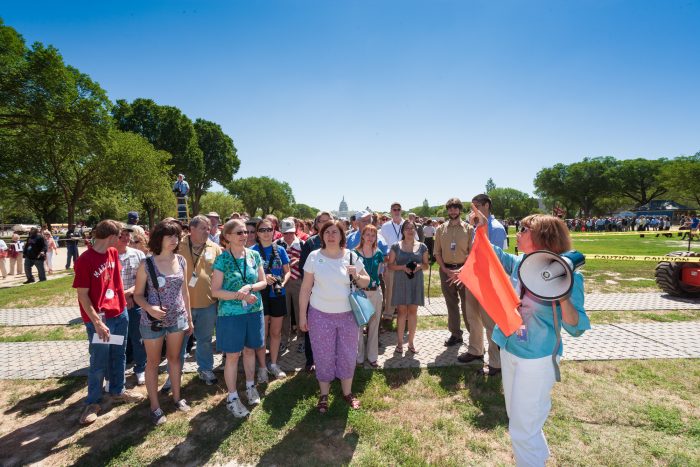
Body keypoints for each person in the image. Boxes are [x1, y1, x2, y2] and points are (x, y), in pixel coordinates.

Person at [471, 209, 590, 466]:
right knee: (520, 421)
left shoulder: (568, 275)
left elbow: (577, 325)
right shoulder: (523, 263)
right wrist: (480, 229)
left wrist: (562, 292)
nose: (518, 233)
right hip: (509, 349)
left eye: (524, 230)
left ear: (542, 237)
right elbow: (496, 257)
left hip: (537, 359)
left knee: (523, 429)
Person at [74, 220, 145, 425]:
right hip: (100, 320)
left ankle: (118, 390)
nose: (124, 240)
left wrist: (123, 306)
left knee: (119, 354)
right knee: (99, 360)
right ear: (112, 237)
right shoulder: (85, 260)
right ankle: (93, 402)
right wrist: (97, 322)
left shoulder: (113, 254)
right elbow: (83, 295)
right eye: (120, 236)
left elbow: (116, 283)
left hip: (119, 314)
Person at [298, 220, 371, 413]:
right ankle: (324, 394)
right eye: (327, 232)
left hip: (347, 315)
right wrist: (302, 316)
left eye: (335, 232)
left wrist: (356, 274)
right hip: (319, 315)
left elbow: (366, 281)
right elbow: (305, 288)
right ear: (321, 235)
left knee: (348, 353)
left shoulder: (351, 256)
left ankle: (347, 393)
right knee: (323, 354)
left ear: (341, 236)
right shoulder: (314, 257)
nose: (331, 235)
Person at [133, 219, 193, 425]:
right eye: (169, 236)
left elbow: (185, 292)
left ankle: (177, 398)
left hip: (177, 317)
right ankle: (155, 407)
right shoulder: (146, 263)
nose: (174, 240)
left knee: (175, 359)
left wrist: (189, 319)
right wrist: (150, 308)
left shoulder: (181, 261)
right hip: (152, 321)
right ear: (159, 239)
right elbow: (138, 295)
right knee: (153, 362)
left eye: (176, 236)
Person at [211, 219, 268, 418]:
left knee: (250, 350)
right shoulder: (222, 259)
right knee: (233, 356)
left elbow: (263, 282)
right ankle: (232, 397)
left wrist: (250, 287)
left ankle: (250, 386)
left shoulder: (254, 255)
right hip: (231, 315)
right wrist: (239, 294)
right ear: (227, 237)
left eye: (245, 232)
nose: (244, 235)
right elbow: (215, 291)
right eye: (239, 233)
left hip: (254, 310)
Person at [462, 194, 507, 375]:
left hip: (488, 281)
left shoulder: (495, 228)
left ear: (487, 205)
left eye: (477, 206)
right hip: (473, 278)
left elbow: (497, 257)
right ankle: (475, 350)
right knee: (473, 317)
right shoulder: (476, 227)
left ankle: (495, 362)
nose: (473, 210)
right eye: (471, 207)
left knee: (490, 322)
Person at [179, 215, 222, 385]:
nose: (208, 231)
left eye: (209, 228)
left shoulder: (214, 247)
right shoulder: (178, 245)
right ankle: (175, 372)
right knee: (179, 342)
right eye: (204, 228)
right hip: (182, 305)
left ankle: (205, 369)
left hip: (207, 304)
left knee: (204, 340)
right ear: (192, 229)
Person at [251, 218, 290, 380]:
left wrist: (282, 282)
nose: (266, 233)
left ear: (274, 231)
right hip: (261, 296)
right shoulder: (251, 251)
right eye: (262, 230)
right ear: (257, 233)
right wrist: (262, 278)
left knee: (275, 332)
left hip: (277, 295)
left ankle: (273, 364)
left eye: (269, 230)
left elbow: (287, 271)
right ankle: (261, 367)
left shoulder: (280, 250)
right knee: (263, 333)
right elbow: (248, 275)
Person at [433, 198, 473, 347]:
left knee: (467, 305)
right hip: (446, 270)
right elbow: (437, 252)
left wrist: (461, 271)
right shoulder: (440, 229)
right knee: (451, 304)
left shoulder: (468, 229)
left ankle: (474, 337)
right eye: (450, 208)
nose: (453, 211)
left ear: (460, 210)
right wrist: (445, 270)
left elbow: (472, 253)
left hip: (464, 271)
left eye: (456, 208)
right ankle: (456, 334)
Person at [387, 221, 429, 354]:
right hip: (400, 281)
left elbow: (427, 265)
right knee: (401, 312)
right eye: (407, 228)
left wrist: (419, 266)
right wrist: (402, 267)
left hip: (415, 281)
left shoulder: (422, 246)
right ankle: (400, 343)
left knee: (412, 312)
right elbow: (390, 265)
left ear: (416, 230)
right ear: (403, 231)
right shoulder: (396, 246)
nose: (410, 230)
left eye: (412, 228)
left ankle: (411, 342)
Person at [298, 211, 333, 370]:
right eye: (322, 221)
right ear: (317, 224)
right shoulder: (310, 244)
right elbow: (303, 270)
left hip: (334, 293)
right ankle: (311, 360)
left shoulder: (339, 242)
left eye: (329, 220)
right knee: (312, 327)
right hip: (315, 293)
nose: (326, 223)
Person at [116, 225, 147, 386]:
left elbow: (142, 281)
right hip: (114, 304)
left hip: (135, 302)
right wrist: (122, 297)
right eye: (122, 235)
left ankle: (140, 368)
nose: (127, 238)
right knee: (117, 339)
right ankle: (116, 372)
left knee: (138, 338)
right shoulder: (108, 256)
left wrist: (128, 294)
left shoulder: (138, 255)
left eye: (128, 234)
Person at [354, 224, 385, 367]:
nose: (370, 238)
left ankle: (372, 357)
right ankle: (359, 357)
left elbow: (380, 272)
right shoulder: (354, 253)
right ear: (362, 235)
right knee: (359, 326)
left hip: (375, 292)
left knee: (374, 325)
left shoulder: (378, 253)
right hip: (360, 292)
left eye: (373, 235)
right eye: (368, 234)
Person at [278, 218, 304, 353]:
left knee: (300, 312)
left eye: (291, 232)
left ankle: (301, 340)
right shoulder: (277, 244)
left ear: (295, 230)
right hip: (282, 282)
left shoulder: (303, 244)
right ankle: (284, 340)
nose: (288, 236)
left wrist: (299, 260)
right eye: (285, 233)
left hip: (298, 281)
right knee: (284, 313)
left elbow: (309, 262)